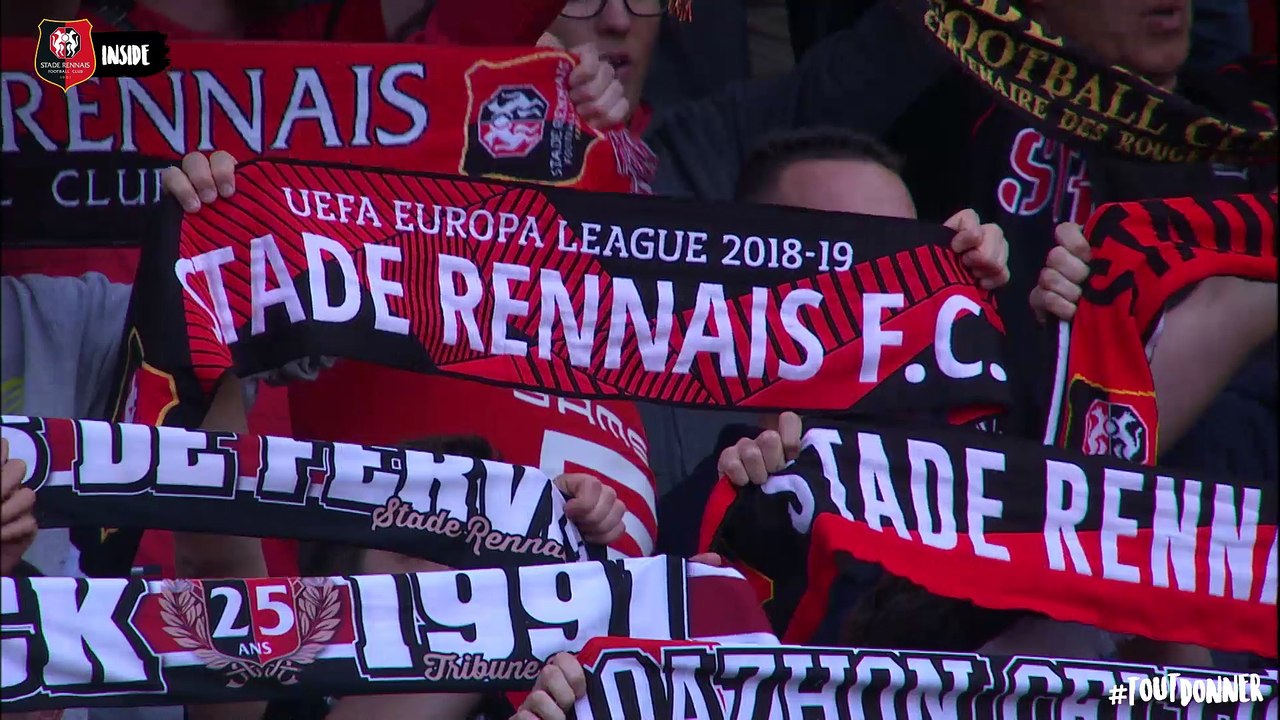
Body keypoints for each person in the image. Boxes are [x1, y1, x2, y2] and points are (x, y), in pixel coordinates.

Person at [659, 127, 1011, 557]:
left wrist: (1008, 305)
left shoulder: (972, 472)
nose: (882, 287)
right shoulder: (694, 522)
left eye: (903, 250)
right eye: (844, 253)